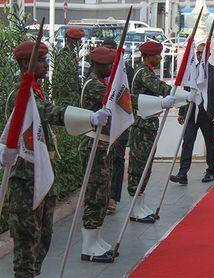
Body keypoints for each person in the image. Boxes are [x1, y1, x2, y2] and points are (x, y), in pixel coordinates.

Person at [3, 41, 109, 277]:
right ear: (24, 63)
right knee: (26, 244)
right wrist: (88, 117)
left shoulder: (35, 91)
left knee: (43, 239)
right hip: (26, 180)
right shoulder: (19, 95)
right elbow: (47, 111)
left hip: (42, 176)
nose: (46, 64)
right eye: (40, 60)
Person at [78, 46, 120, 263]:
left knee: (102, 194)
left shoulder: (100, 83)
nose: (111, 68)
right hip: (95, 145)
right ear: (98, 65)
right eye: (108, 65)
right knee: (95, 196)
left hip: (103, 146)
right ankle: (88, 245)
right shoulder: (94, 85)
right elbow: (116, 101)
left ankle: (96, 238)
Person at [127, 41, 176, 223]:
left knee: (146, 168)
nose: (160, 58)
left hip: (149, 125)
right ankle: (134, 208)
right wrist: (179, 94)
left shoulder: (146, 71)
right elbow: (160, 88)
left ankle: (140, 205)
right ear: (148, 56)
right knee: (138, 168)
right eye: (157, 55)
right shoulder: (143, 73)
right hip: (141, 127)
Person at [170, 42, 214, 185]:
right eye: (198, 53)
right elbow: (186, 93)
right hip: (191, 112)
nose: (200, 55)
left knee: (210, 144)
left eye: (202, 53)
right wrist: (181, 112)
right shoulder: (191, 72)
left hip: (208, 114)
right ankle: (182, 173)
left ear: (208, 55)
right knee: (187, 143)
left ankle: (210, 170)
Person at [99, 39, 134, 214]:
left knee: (118, 158)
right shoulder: (97, 69)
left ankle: (113, 197)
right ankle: (100, 196)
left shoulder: (127, 70)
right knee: (102, 159)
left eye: (112, 51)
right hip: (101, 124)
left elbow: (129, 96)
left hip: (119, 121)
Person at [52, 27, 85, 106]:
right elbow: (60, 80)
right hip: (65, 99)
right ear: (72, 40)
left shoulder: (71, 55)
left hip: (72, 97)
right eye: (79, 39)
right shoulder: (64, 56)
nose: (80, 42)